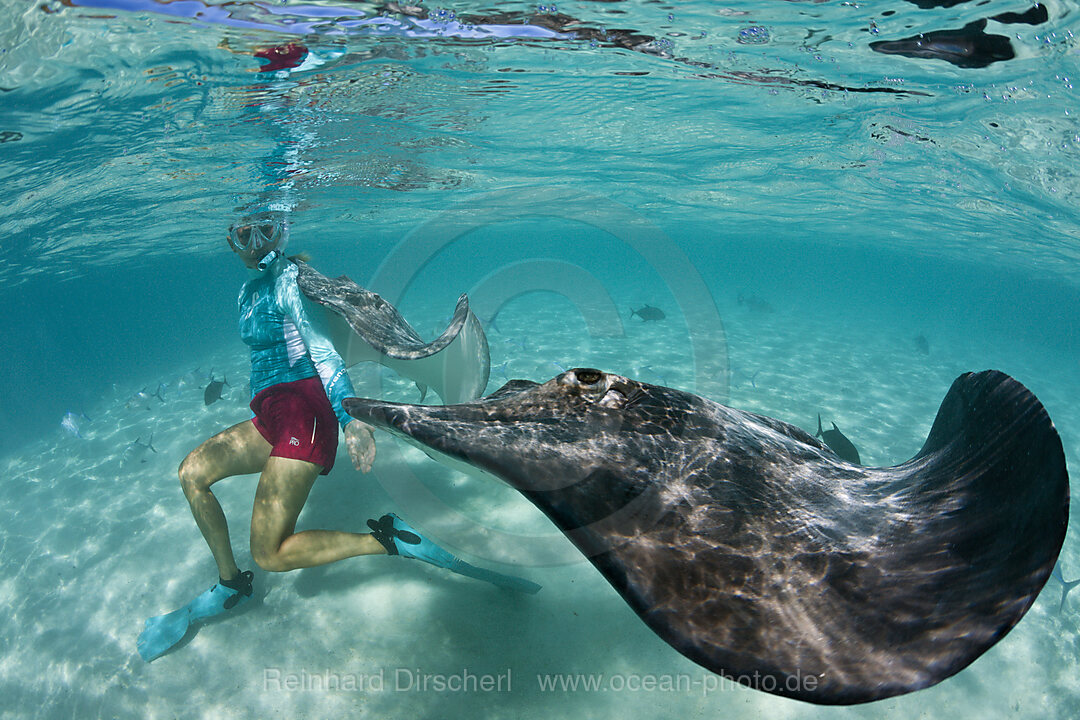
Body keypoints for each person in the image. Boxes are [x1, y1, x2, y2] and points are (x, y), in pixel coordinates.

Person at [137, 211, 536, 663]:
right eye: (243, 233)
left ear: (282, 232)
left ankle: (389, 540)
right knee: (192, 473)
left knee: (269, 553)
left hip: (305, 413)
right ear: (231, 241)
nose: (255, 241)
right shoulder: (248, 290)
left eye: (266, 229)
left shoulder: (291, 282)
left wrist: (350, 421)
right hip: (271, 414)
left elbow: (323, 351)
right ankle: (231, 585)